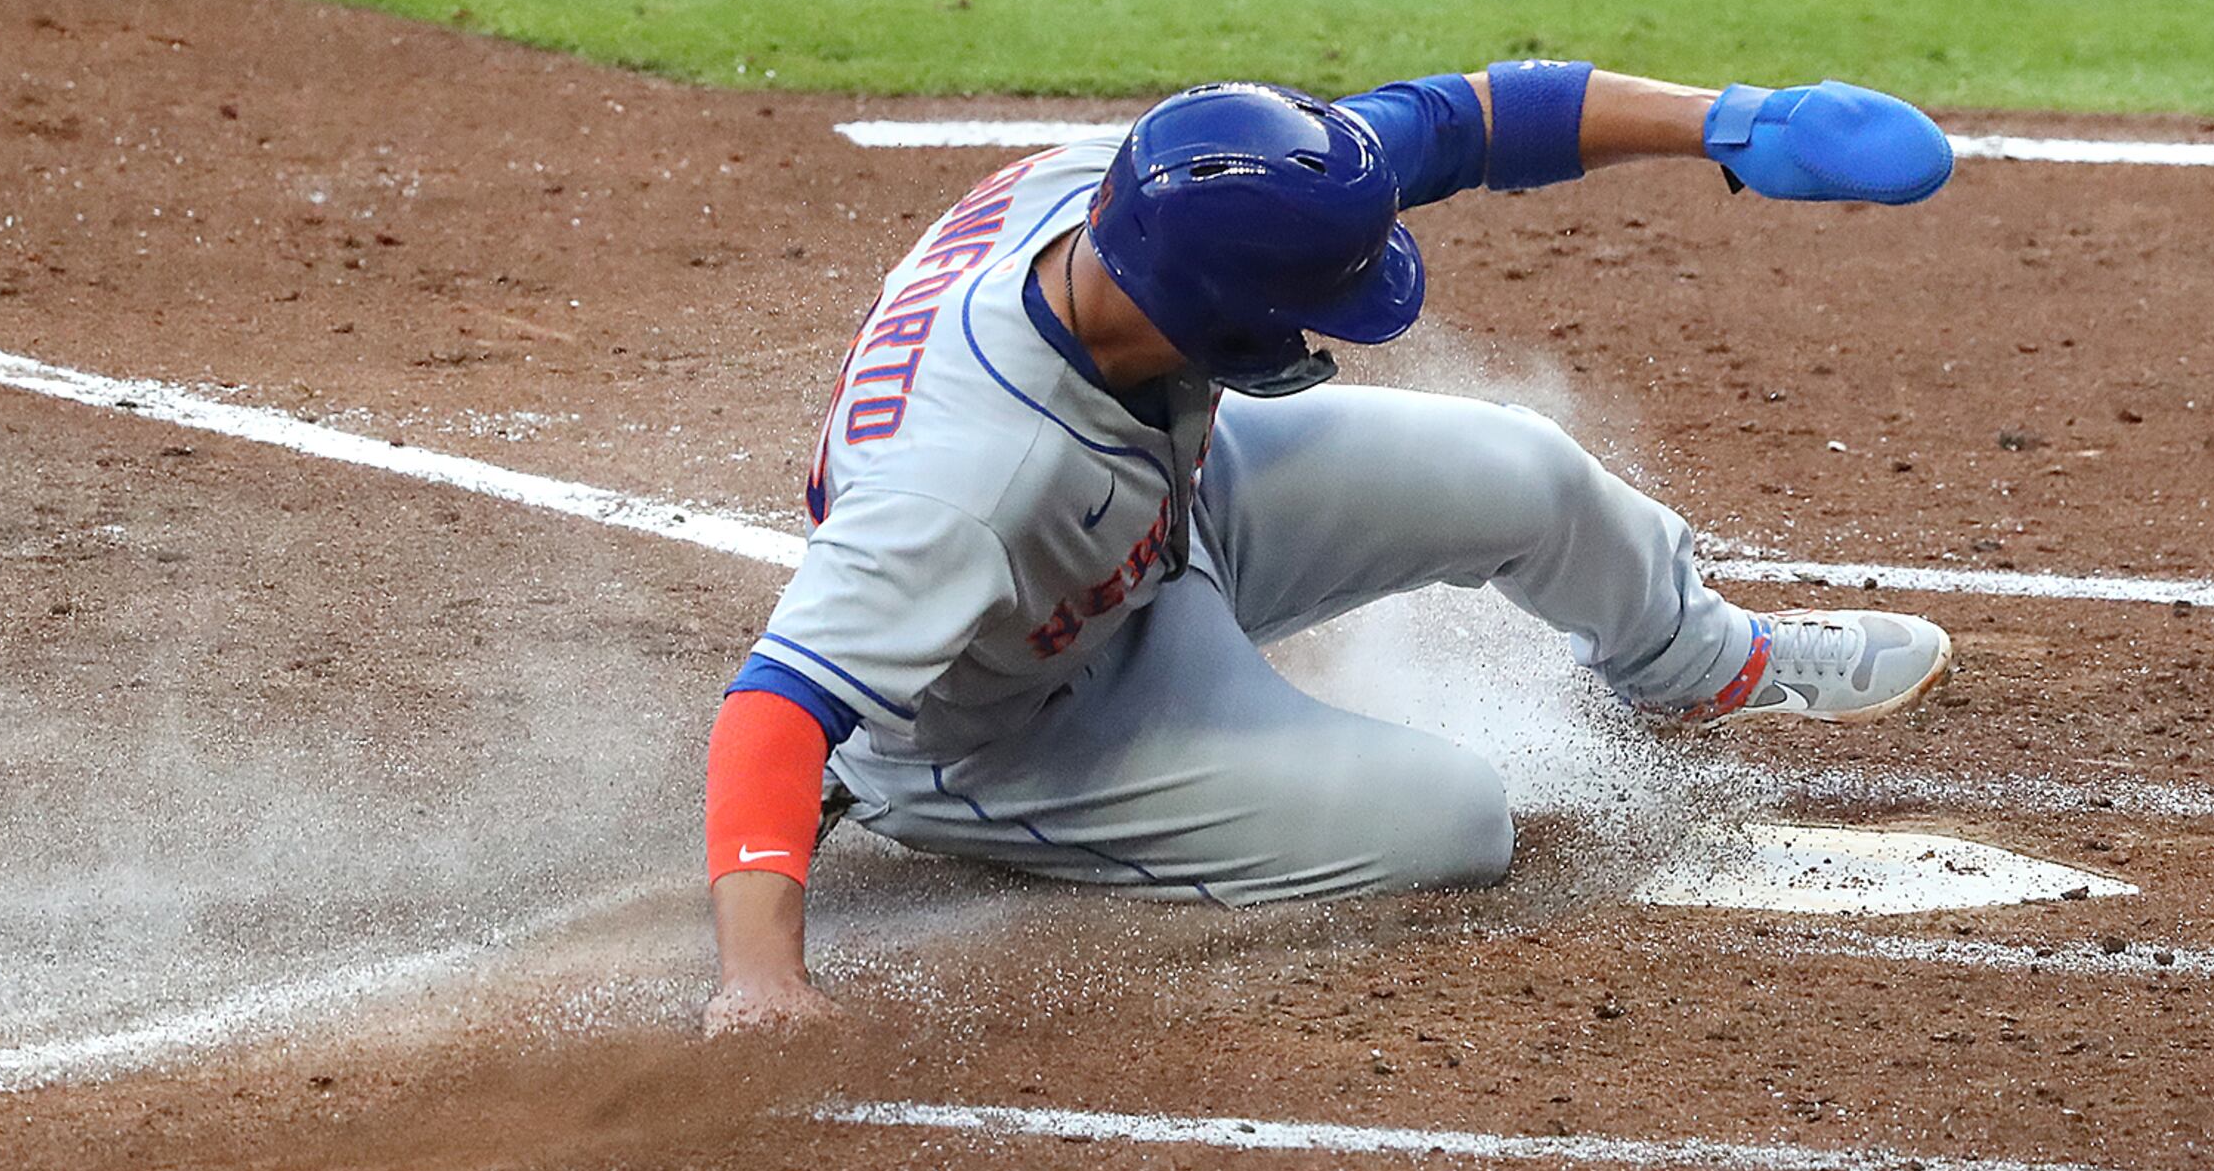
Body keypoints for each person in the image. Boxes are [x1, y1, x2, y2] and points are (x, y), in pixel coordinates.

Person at [702, 64, 1957, 1033]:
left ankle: (1702, 662)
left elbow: (1465, 122)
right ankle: (957, 816)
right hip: (1016, 723)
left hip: (1169, 517)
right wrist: (761, 986)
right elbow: (772, 710)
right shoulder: (965, 484)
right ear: (1225, 317)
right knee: (1451, 822)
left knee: (1520, 468)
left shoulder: (1158, 193)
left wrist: (1735, 122)